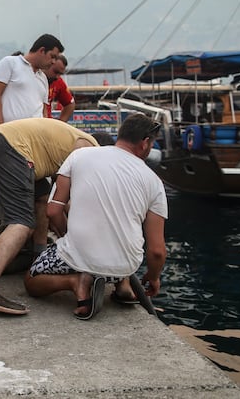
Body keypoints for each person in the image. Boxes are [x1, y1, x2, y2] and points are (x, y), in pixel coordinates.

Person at [24, 113, 168, 320]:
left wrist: (68, 237)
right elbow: (156, 252)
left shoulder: (80, 156)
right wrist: (153, 278)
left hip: (78, 258)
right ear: (145, 143)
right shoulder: (154, 182)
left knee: (31, 280)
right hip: (125, 264)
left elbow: (53, 211)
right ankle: (123, 286)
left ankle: (74, 282)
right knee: (124, 233)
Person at [0, 117, 99, 315]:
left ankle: (37, 258)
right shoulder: (89, 150)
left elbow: (58, 202)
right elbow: (74, 205)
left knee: (41, 194)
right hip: (9, 146)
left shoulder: (67, 147)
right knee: (22, 222)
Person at [0, 132, 115, 260]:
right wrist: (73, 243)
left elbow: (62, 202)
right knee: (24, 233)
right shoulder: (30, 161)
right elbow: (54, 207)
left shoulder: (42, 156)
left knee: (41, 236)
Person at [0, 34, 64, 126]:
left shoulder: (43, 78)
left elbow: (44, 111)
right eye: (52, 56)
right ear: (42, 50)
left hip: (35, 136)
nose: (53, 62)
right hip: (9, 134)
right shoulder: (10, 63)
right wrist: (0, 128)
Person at [45, 55, 76, 122]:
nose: (57, 76)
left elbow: (70, 103)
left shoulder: (58, 81)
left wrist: (61, 123)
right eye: (55, 72)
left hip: (45, 124)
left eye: (60, 74)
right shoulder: (33, 77)